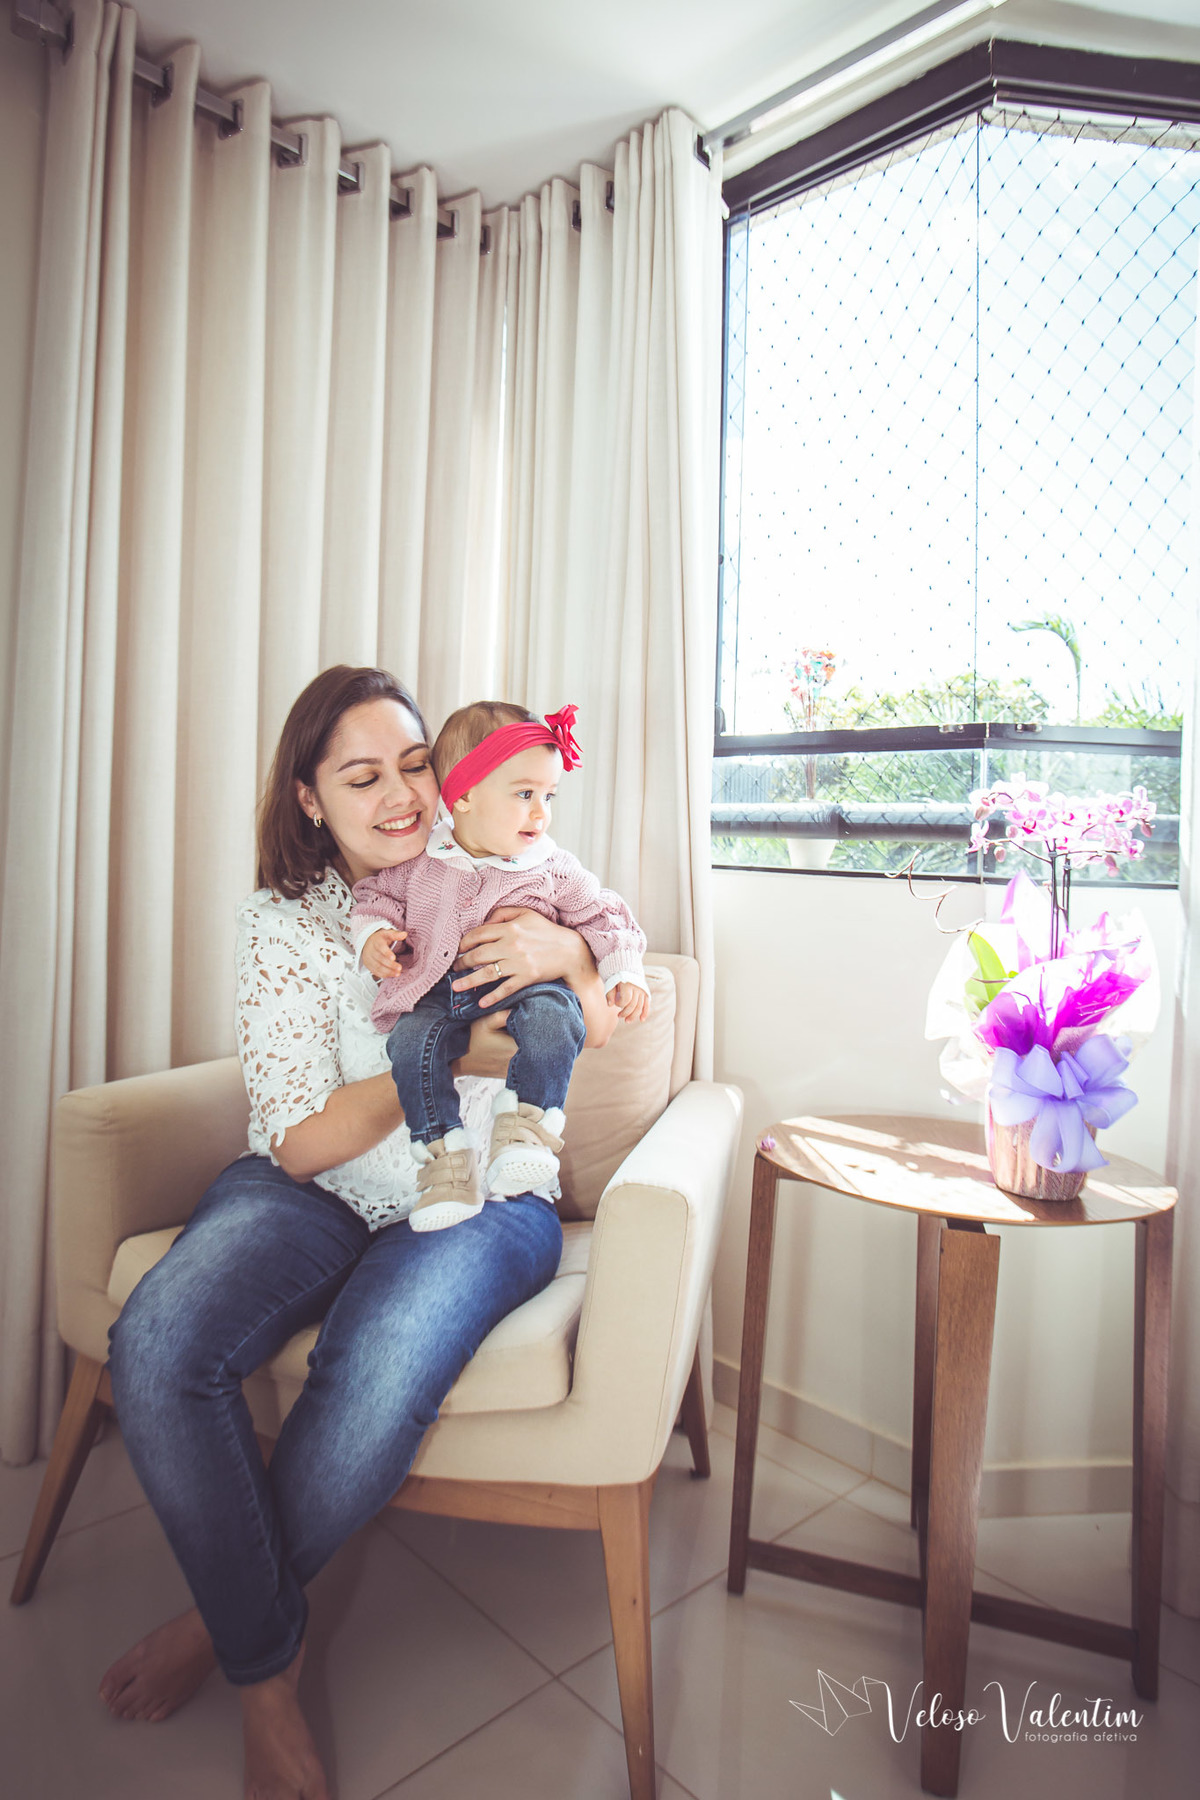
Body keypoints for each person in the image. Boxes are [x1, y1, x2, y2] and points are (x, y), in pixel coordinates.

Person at [100, 666, 617, 1800]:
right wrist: (434, 1055)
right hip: (315, 1183)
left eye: (417, 764)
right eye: (361, 775)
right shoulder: (286, 924)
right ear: (308, 799)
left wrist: (564, 960)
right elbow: (295, 1141)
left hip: (482, 1193)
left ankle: (228, 1629)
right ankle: (269, 1664)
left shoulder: (501, 866)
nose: (400, 795)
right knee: (157, 1345)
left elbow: (614, 989)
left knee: (375, 1369)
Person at [351, 698, 650, 1230]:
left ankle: (526, 1127)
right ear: (463, 796)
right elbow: (376, 897)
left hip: (528, 995)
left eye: (548, 795)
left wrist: (623, 971)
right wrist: (374, 936)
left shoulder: (551, 868)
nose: (542, 812)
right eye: (525, 794)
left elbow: (606, 916)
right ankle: (444, 1156)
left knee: (554, 1018)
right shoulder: (425, 862)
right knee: (408, 1042)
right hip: (438, 995)